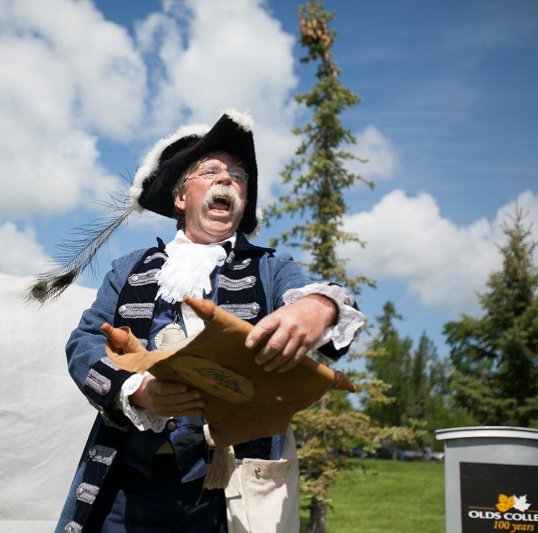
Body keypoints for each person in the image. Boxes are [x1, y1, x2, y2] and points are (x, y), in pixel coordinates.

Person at [52, 110, 364, 532]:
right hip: (127, 486)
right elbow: (84, 341)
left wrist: (317, 307)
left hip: (229, 492)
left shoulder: (270, 268)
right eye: (212, 170)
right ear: (181, 198)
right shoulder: (129, 268)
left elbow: (328, 298)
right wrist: (138, 391)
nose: (228, 179)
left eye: (238, 176)